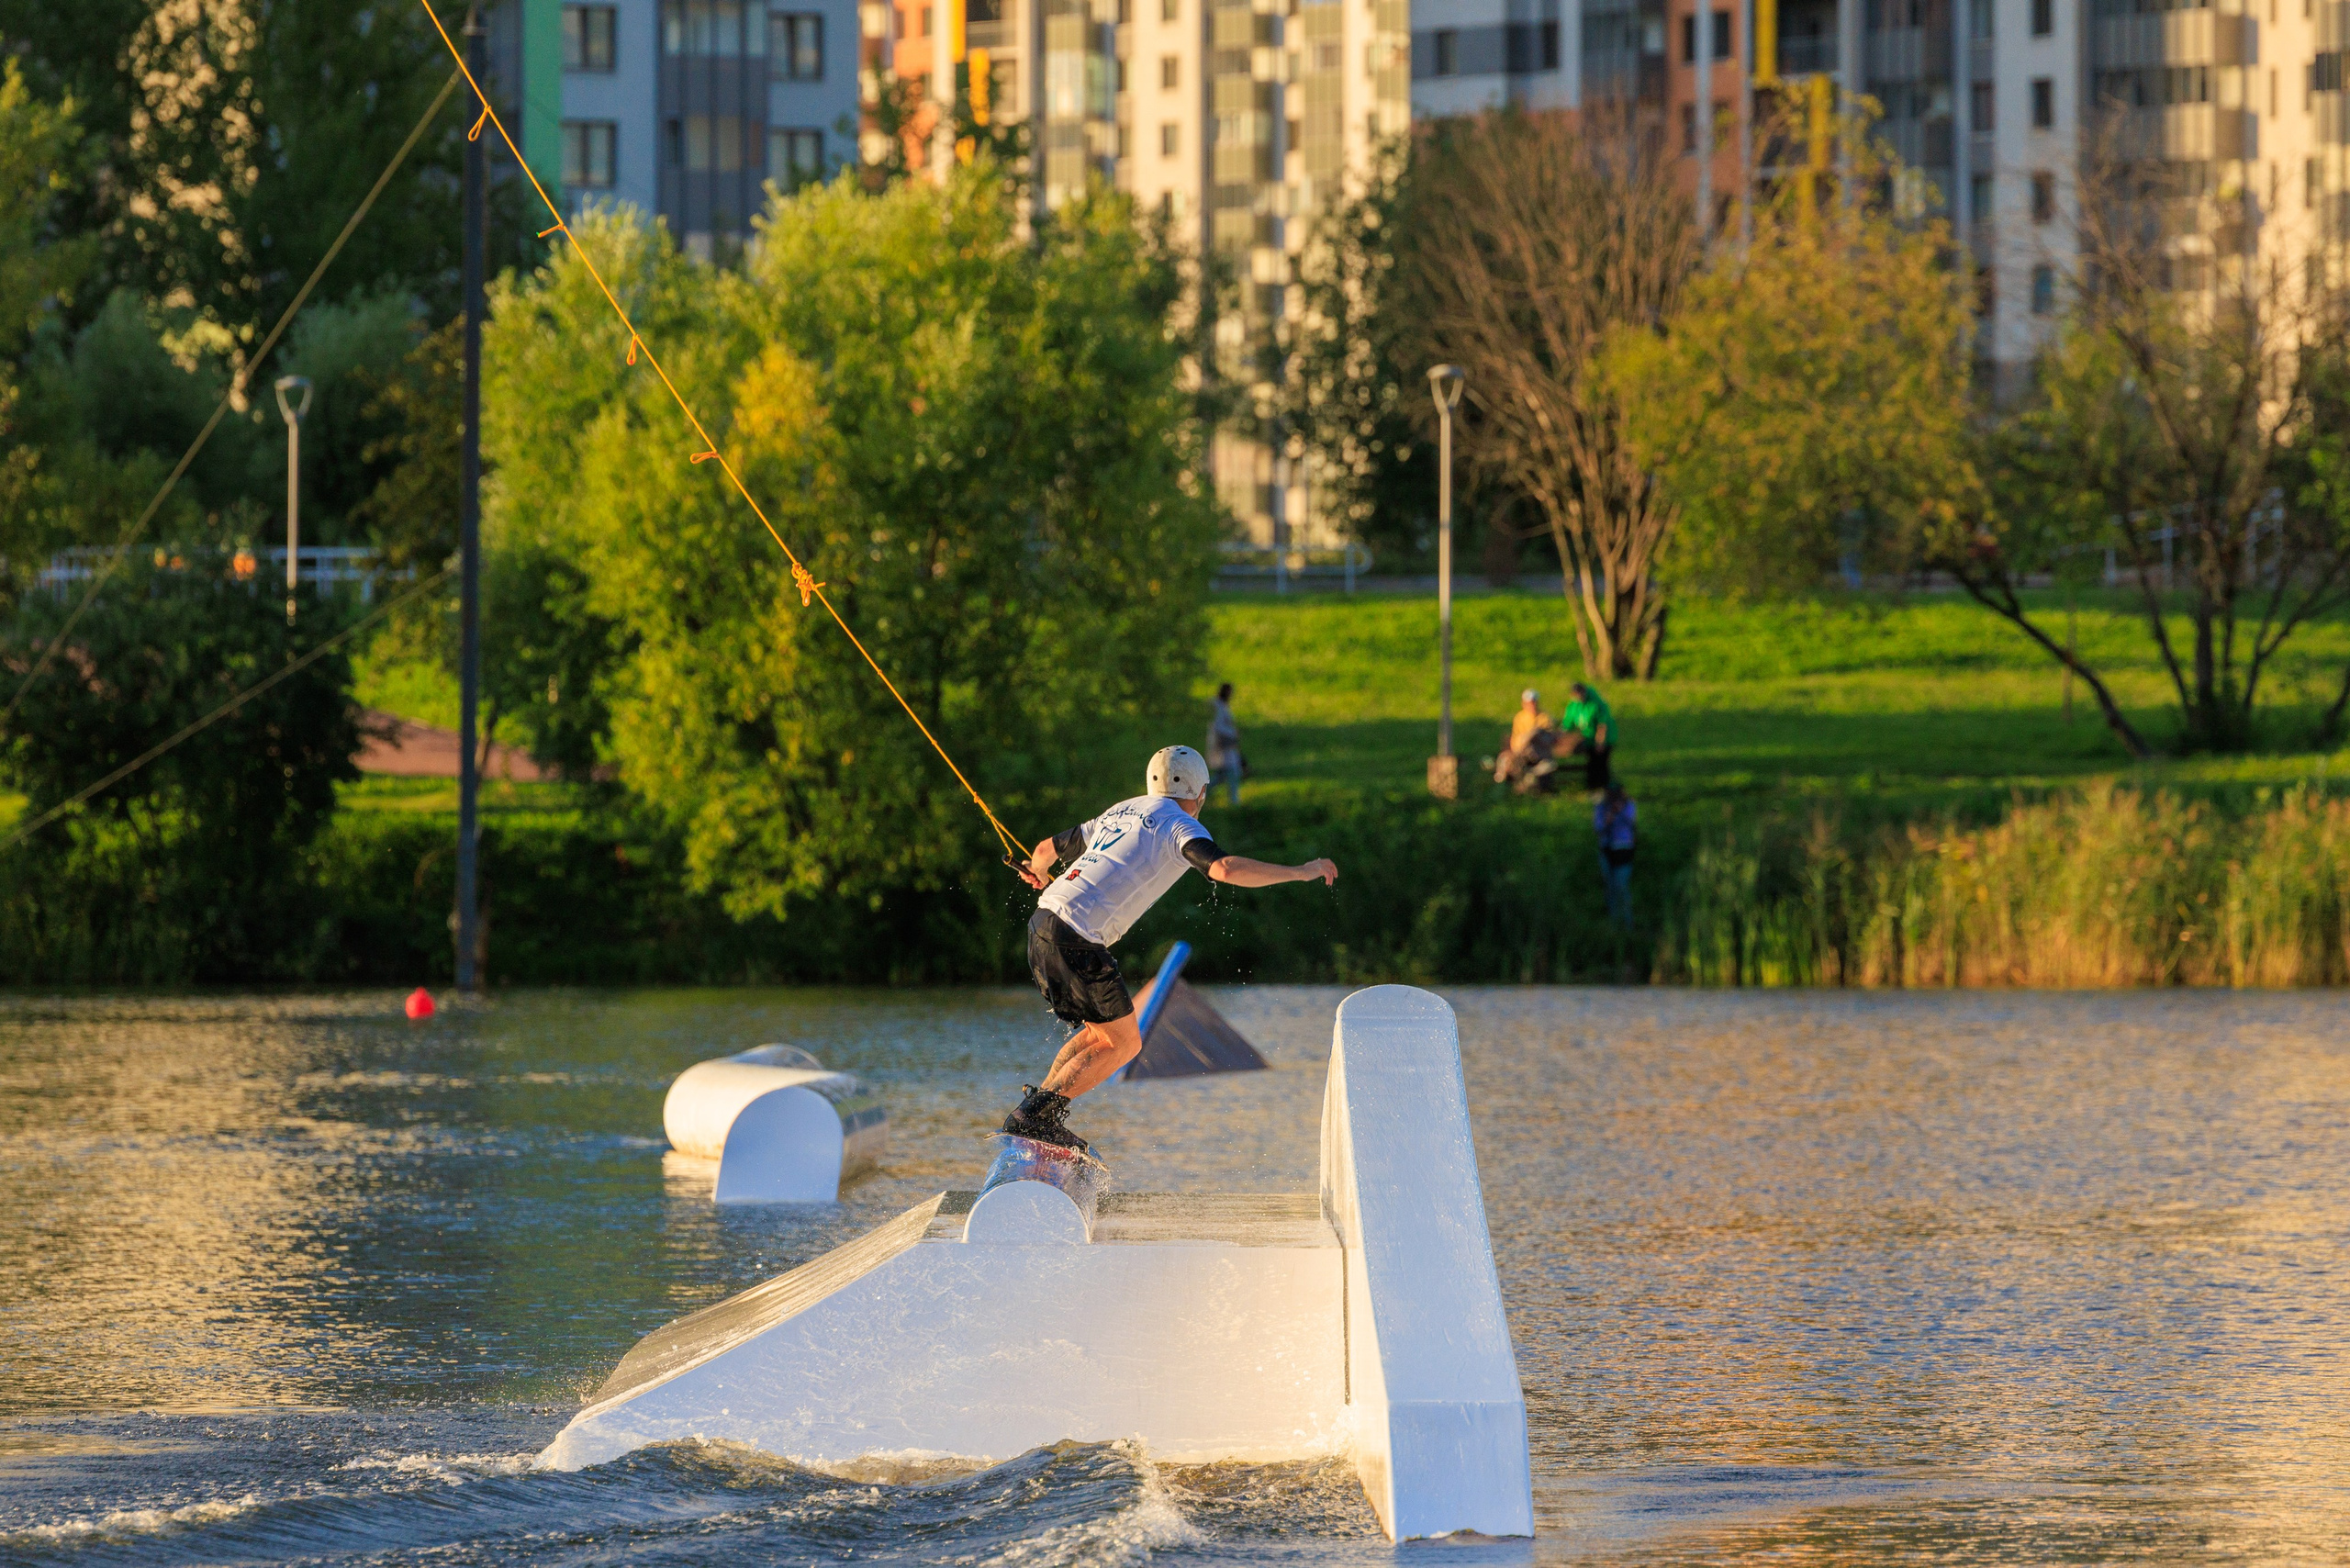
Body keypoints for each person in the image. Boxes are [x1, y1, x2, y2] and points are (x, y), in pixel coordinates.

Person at [1001, 745, 1337, 1151]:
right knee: (1126, 1043)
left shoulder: (1119, 811)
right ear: (1200, 794)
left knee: (1100, 1034)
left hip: (1042, 925)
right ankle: (1034, 1117)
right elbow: (1225, 869)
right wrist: (1301, 872)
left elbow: (1041, 852)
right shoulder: (1180, 825)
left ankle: (1037, 1114)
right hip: (1076, 936)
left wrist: (1037, 873)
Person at [1595, 780, 1637, 931]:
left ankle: (1628, 924)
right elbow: (1599, 828)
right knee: (1609, 887)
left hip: (1623, 849)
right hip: (1606, 850)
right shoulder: (1601, 808)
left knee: (1621, 886)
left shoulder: (1629, 805)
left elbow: (1632, 824)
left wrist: (1620, 811)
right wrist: (1609, 815)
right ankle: (1612, 924)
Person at [1493, 689, 1556, 787]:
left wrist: (1534, 734)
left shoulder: (1544, 717)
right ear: (1524, 703)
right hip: (1522, 752)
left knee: (1546, 765)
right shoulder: (1520, 718)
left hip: (1539, 753)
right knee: (1506, 758)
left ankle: (1527, 782)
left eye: (1533, 702)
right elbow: (1517, 738)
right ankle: (1505, 781)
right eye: (1529, 703)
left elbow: (1549, 739)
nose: (1531, 705)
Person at [1559, 681, 1615, 791]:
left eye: (1579, 694)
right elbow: (1568, 723)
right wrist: (1559, 735)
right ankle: (1592, 788)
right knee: (1591, 763)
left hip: (1603, 738)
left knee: (1600, 762)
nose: (1578, 697)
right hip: (1588, 738)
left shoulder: (1596, 704)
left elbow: (1602, 725)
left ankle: (1604, 788)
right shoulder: (1573, 705)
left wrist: (1600, 742)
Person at [1205, 683, 1242, 807]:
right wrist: (1232, 735)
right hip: (1223, 745)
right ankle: (1234, 800)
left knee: (1223, 774)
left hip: (1225, 745)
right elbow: (1219, 727)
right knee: (1232, 772)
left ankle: (1201, 794)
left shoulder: (1222, 706)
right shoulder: (1218, 707)